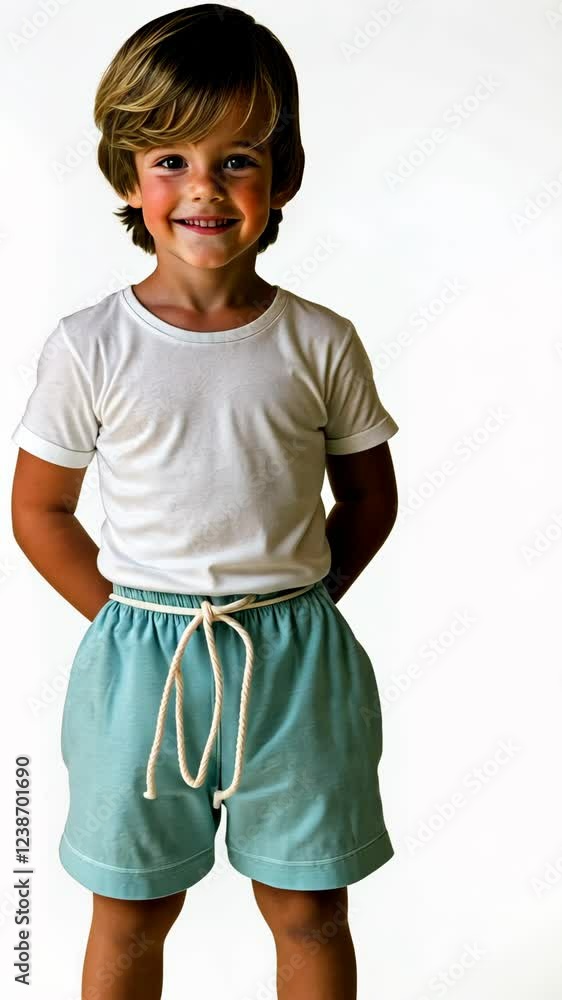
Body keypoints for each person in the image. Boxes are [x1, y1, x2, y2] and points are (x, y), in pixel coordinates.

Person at [10, 6, 400, 998]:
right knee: (133, 910)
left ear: (281, 177)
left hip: (296, 662)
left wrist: (305, 602)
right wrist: (120, 619)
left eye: (236, 160)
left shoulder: (320, 341)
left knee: (309, 909)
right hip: (142, 666)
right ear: (127, 175)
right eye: (171, 159)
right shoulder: (88, 346)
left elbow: (366, 493)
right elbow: (39, 510)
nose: (203, 189)